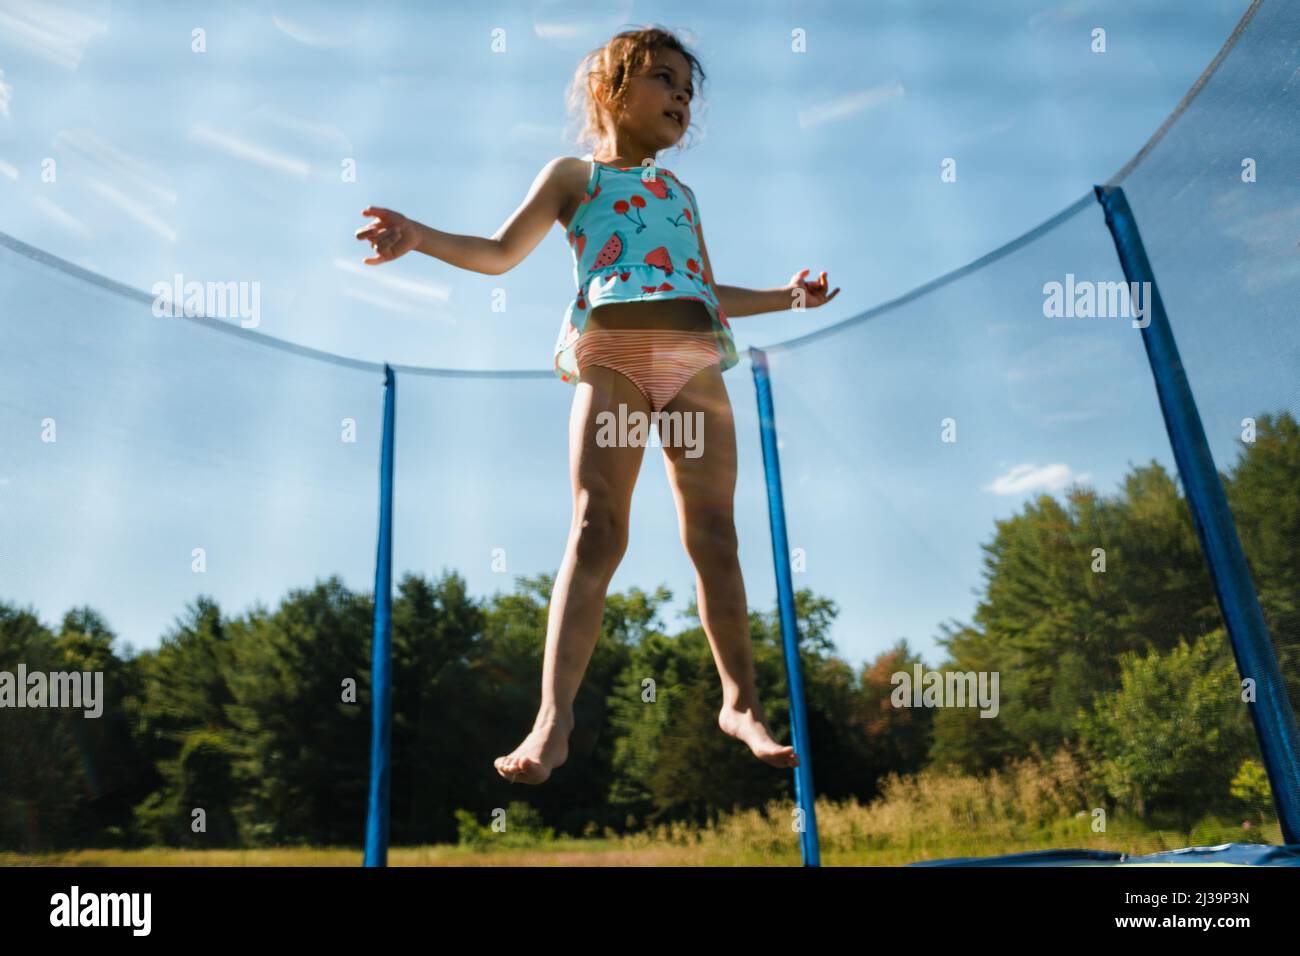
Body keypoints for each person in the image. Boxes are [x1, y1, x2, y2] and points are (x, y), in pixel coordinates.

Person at [355, 26, 838, 785]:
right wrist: (419, 236)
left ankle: (739, 701)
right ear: (610, 89)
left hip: (692, 360)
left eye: (689, 90)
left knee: (714, 531)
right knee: (595, 526)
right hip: (611, 352)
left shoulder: (681, 194)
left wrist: (789, 297)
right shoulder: (573, 177)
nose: (682, 96)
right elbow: (496, 252)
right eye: (665, 80)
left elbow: (707, 291)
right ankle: (554, 718)